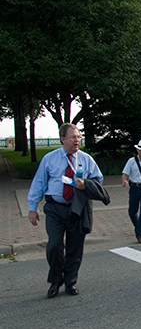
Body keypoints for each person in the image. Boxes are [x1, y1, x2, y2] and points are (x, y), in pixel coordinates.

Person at [28, 123, 105, 298]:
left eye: (79, 137)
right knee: (54, 245)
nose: (77, 140)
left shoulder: (86, 159)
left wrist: (86, 184)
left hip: (77, 209)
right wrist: (32, 208)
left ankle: (70, 281)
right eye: (73, 137)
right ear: (63, 139)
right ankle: (56, 280)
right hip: (55, 208)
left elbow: (98, 179)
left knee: (75, 248)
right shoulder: (50, 159)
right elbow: (38, 183)